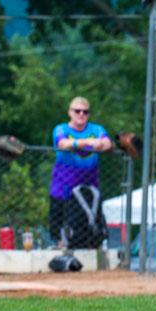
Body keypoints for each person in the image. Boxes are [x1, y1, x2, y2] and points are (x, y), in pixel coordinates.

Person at [49, 97, 113, 247]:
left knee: (91, 223)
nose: (81, 115)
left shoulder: (96, 129)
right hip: (64, 187)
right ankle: (62, 253)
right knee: (61, 226)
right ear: (70, 112)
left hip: (88, 187)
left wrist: (104, 144)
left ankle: (93, 254)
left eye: (85, 112)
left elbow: (107, 142)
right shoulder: (61, 129)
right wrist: (88, 143)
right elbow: (63, 143)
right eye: (77, 111)